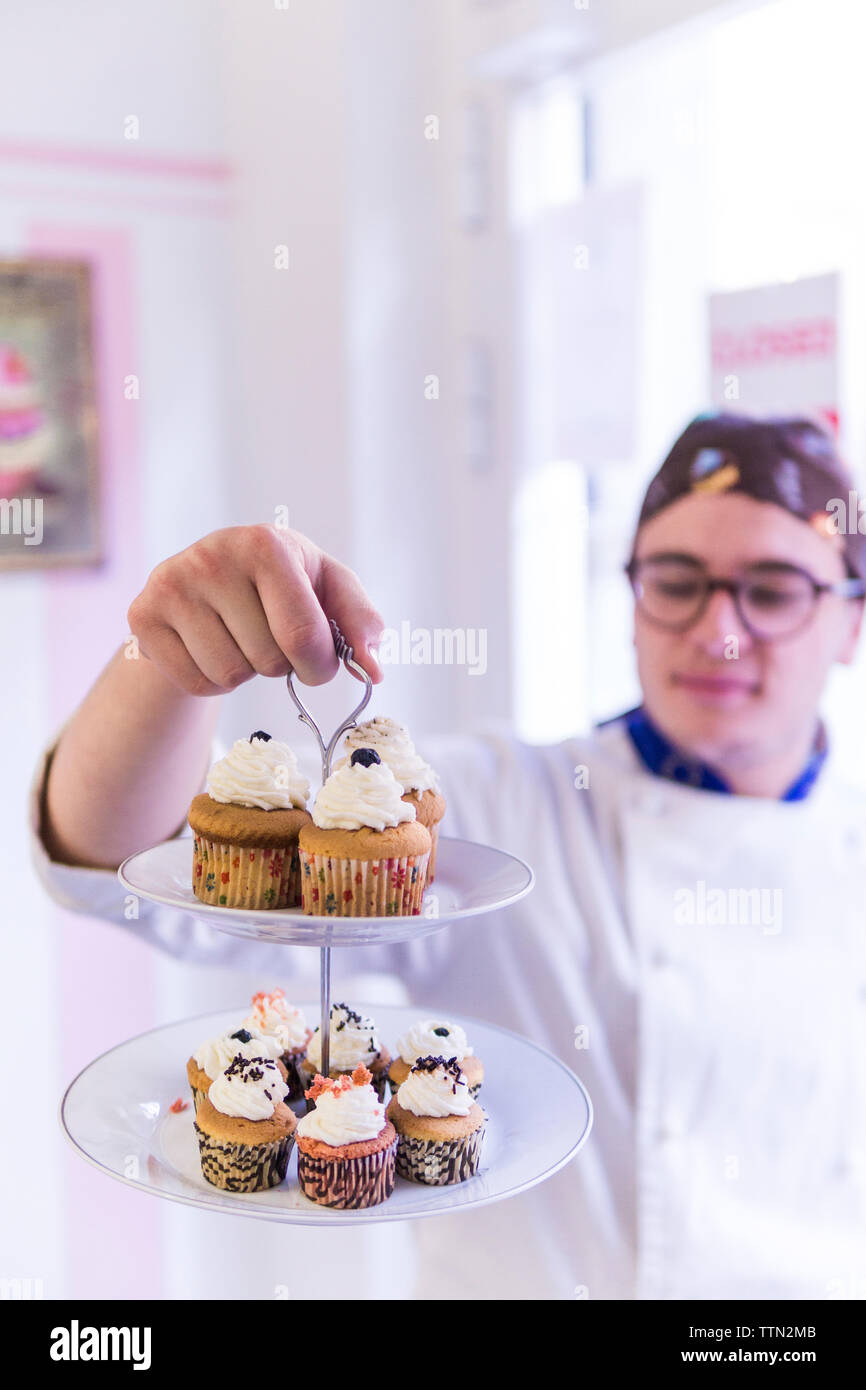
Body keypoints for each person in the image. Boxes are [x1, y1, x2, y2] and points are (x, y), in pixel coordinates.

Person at [32, 413, 866, 1300]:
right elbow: (115, 861)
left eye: (773, 590)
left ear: (852, 624)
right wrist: (168, 663)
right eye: (676, 580)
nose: (719, 631)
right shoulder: (508, 806)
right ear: (630, 606)